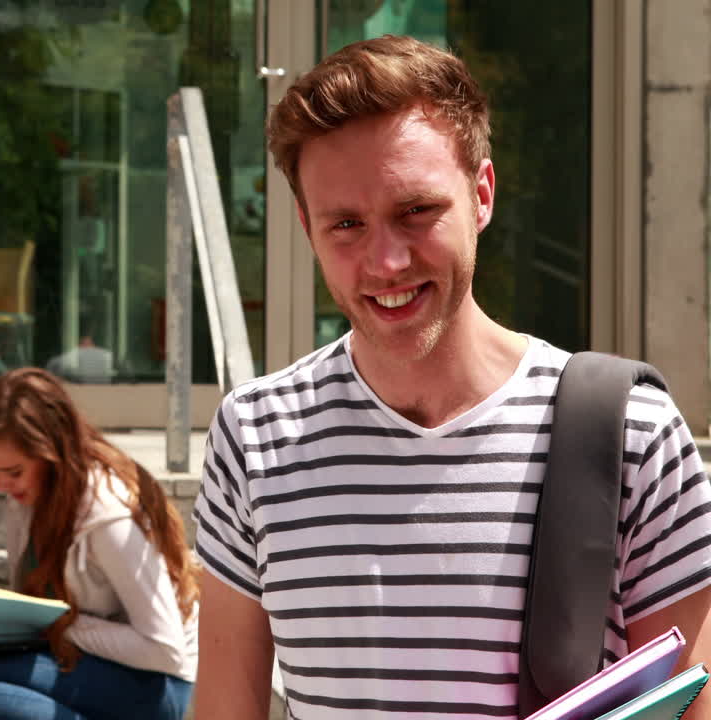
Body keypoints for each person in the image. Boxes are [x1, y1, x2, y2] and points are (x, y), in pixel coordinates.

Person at [193, 34, 711, 719]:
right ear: (306, 228)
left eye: (416, 211)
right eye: (345, 224)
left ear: (482, 194)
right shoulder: (253, 437)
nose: (385, 261)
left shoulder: (632, 433)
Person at [0, 368, 198, 720]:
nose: (1, 486)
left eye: (13, 472)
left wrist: (65, 627)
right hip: (79, 659)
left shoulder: (109, 517)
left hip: (155, 684)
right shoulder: (28, 498)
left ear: (52, 454)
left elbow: (165, 650)